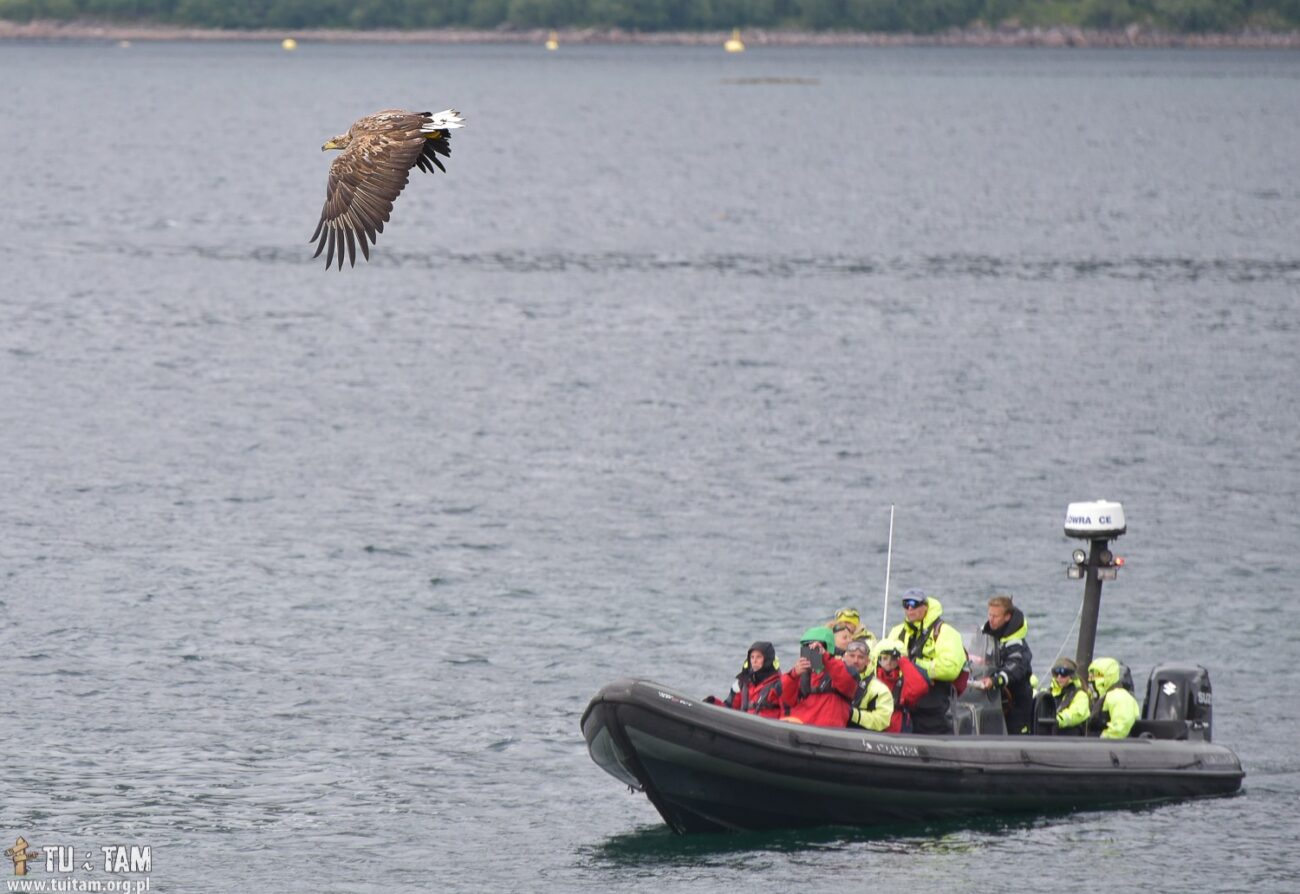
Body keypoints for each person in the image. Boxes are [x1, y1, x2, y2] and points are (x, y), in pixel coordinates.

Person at [887, 589, 967, 734]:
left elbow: (950, 668)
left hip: (932, 702)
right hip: (902, 700)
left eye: (914, 604)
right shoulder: (897, 632)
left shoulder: (946, 632)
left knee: (933, 733)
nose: (909, 608)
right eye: (905, 604)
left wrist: (914, 665)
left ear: (925, 607)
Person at [975, 594, 1035, 735]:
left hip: (1016, 704)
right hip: (992, 700)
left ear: (1007, 617)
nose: (991, 619)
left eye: (995, 616)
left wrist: (996, 680)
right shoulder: (985, 636)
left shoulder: (1017, 645)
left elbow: (1014, 667)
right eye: (990, 615)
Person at [778, 626, 857, 727]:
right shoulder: (800, 674)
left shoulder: (842, 669)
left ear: (827, 647)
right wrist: (793, 675)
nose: (812, 650)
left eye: (816, 647)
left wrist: (825, 657)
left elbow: (848, 682)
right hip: (800, 727)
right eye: (807, 647)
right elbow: (786, 700)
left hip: (826, 730)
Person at [704, 642, 784, 719]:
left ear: (767, 660)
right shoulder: (743, 684)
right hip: (744, 724)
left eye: (759, 657)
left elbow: (787, 712)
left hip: (767, 726)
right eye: (752, 657)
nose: (754, 661)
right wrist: (714, 703)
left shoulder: (780, 685)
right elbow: (729, 708)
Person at [871, 637, 930, 733]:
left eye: (893, 659)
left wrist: (903, 661)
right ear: (877, 659)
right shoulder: (871, 677)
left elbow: (919, 688)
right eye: (885, 658)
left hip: (897, 727)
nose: (889, 662)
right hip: (873, 723)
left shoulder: (903, 680)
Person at [841, 640, 893, 731]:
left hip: (861, 735)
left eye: (861, 657)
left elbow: (883, 721)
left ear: (868, 661)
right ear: (844, 657)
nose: (855, 661)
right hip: (830, 731)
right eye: (852, 656)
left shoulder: (880, 689)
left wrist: (853, 714)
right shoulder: (831, 678)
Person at [1087, 657, 1140, 739]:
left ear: (1108, 676)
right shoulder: (1094, 697)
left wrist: (1102, 739)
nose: (1092, 679)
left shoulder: (1119, 696)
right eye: (1091, 675)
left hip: (1112, 744)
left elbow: (1121, 725)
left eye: (1097, 675)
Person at [1048, 658, 1090, 735]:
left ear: (1071, 675)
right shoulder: (1048, 693)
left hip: (1070, 738)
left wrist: (1057, 720)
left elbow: (1076, 714)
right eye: (1056, 673)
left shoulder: (1080, 695)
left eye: (1063, 673)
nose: (1059, 677)